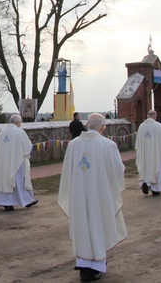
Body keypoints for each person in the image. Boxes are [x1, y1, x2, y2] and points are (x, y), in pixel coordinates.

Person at [58, 113, 127, 282]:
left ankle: (83, 263)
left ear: (87, 125)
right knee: (98, 223)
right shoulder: (107, 145)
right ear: (103, 127)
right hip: (100, 195)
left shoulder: (73, 145)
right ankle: (94, 265)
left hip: (78, 195)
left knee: (83, 224)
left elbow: (67, 172)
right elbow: (118, 171)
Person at [0, 114, 38, 211]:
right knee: (20, 181)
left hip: (3, 163)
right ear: (17, 122)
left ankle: (7, 203)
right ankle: (27, 201)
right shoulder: (20, 132)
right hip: (17, 162)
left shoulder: (2, 132)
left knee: (5, 182)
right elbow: (27, 146)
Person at [135, 110, 161, 196]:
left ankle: (146, 183)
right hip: (156, 153)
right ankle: (156, 189)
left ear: (147, 115)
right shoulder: (158, 126)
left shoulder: (141, 126)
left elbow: (138, 141)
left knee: (145, 167)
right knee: (157, 167)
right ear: (155, 116)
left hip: (144, 153)